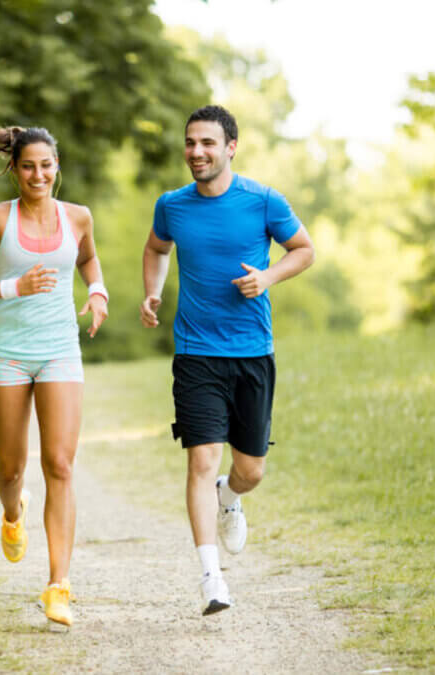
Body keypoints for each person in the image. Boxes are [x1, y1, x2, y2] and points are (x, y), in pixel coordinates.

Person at [139, 105, 315, 616]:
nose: (197, 152)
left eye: (208, 144)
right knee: (200, 458)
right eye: (190, 143)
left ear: (230, 147)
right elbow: (156, 248)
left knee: (251, 470)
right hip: (196, 354)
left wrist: (268, 278)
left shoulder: (262, 201)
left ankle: (230, 497)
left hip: (252, 353)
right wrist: (153, 292)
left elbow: (303, 249)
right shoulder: (172, 205)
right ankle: (211, 579)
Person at [0, 124, 108, 630]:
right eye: (27, 166)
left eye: (46, 165)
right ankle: (13, 511)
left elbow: (86, 257)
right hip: (9, 354)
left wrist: (98, 289)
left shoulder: (78, 217)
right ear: (14, 168)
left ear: (56, 166)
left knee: (60, 464)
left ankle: (58, 585)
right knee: (11, 470)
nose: (38, 174)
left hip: (61, 349)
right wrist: (12, 286)